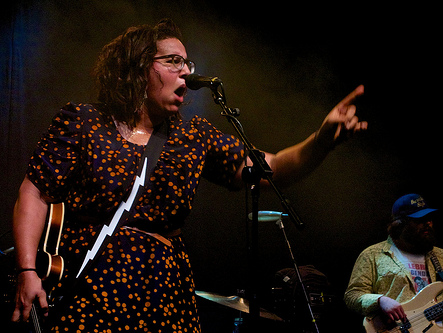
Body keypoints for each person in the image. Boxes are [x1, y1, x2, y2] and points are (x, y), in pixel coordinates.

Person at [11, 18, 367, 332]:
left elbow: (271, 169)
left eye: (187, 62)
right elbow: (34, 192)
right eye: (173, 61)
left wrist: (320, 141)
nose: (186, 71)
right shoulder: (85, 122)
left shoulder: (193, 135)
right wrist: (28, 271)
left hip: (164, 291)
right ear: (137, 68)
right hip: (91, 285)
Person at [344, 193, 443, 332]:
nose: (428, 223)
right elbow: (352, 295)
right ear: (400, 224)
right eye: (419, 219)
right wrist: (380, 300)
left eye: (429, 219)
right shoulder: (372, 255)